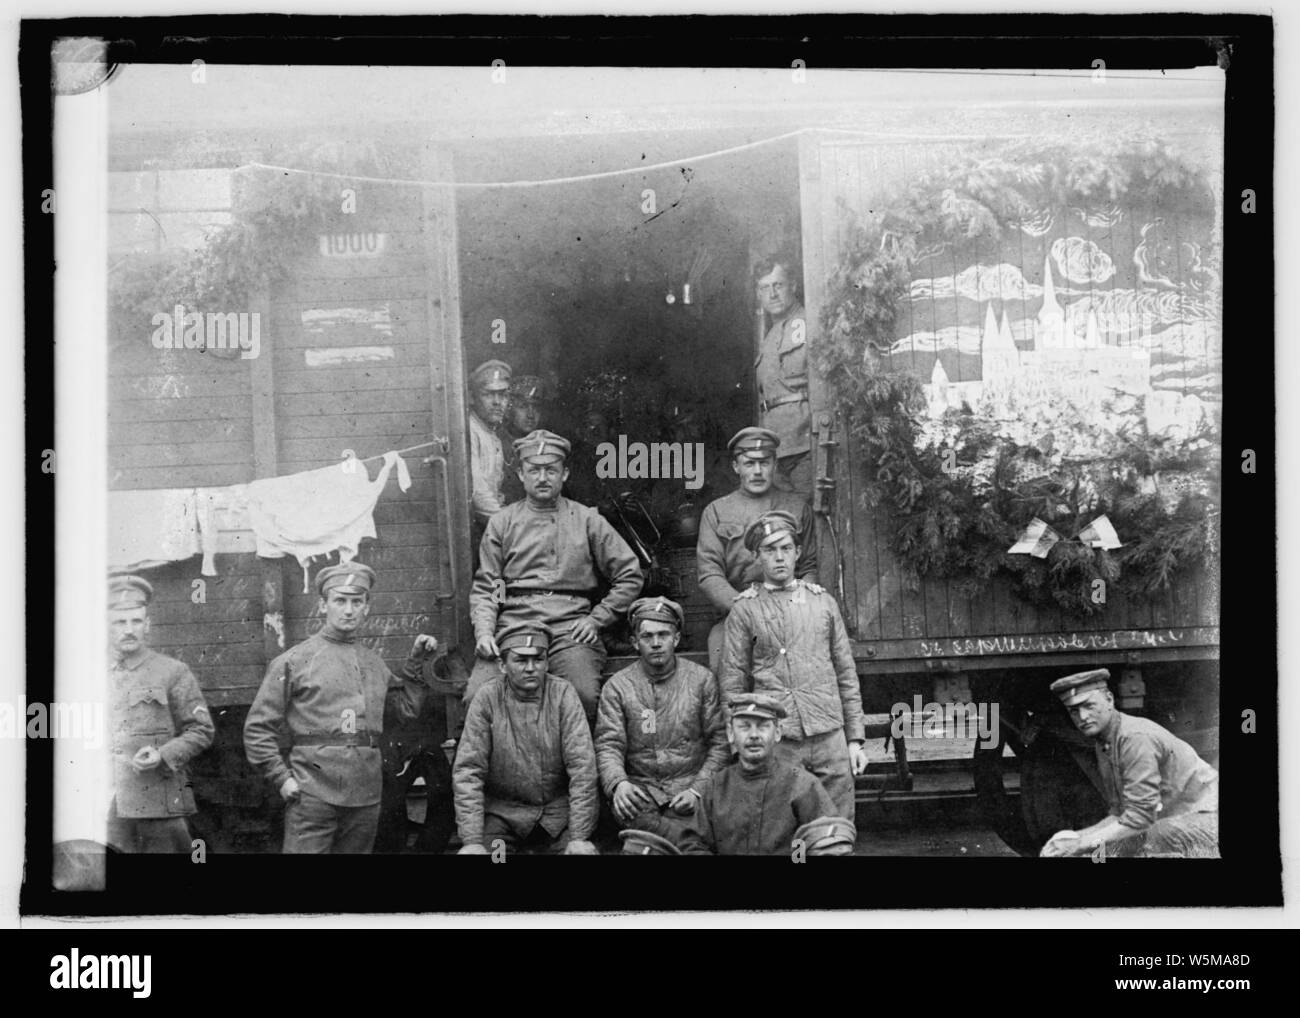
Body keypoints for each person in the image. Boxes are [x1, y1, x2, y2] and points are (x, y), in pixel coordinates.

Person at [243, 562, 440, 854]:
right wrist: (282, 778)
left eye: (356, 602)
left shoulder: (374, 664)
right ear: (323, 605)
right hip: (312, 792)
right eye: (340, 601)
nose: (348, 610)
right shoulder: (294, 661)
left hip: (364, 796)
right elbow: (257, 729)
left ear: (366, 609)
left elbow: (406, 712)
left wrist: (416, 664)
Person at [467, 429, 644, 724]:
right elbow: (492, 587)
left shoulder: (587, 520)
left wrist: (596, 619)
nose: (542, 478)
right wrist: (485, 631)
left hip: (570, 628)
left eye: (551, 470)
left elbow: (629, 574)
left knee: (584, 695)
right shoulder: (502, 523)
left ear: (565, 474)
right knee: (478, 697)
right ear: (521, 475)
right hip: (515, 624)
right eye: (534, 470)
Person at [717, 510, 868, 821]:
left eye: (786, 548)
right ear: (757, 556)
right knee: (782, 828)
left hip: (829, 735)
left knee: (837, 829)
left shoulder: (822, 603)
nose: (779, 557)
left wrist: (854, 740)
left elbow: (846, 674)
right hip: (780, 739)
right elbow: (732, 684)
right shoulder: (744, 610)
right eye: (770, 550)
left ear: (798, 552)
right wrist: (739, 746)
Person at [453, 621, 599, 855]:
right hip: (503, 817)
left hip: (555, 818)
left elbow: (582, 768)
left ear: (547, 662)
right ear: (502, 665)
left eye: (538, 659)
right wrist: (471, 840)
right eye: (521, 660)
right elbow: (469, 771)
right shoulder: (487, 698)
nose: (531, 667)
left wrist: (579, 835)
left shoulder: (563, 694)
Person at [1040, 669, 1219, 859]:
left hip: (1207, 818)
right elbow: (1120, 813)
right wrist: (1077, 839)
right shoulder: (1105, 743)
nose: (1082, 717)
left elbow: (1140, 818)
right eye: (1074, 711)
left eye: (1089, 706)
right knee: (1099, 851)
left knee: (1152, 838)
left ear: (1109, 699)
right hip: (1176, 819)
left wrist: (1081, 845)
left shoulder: (1135, 738)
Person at [594, 596, 729, 846]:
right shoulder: (618, 686)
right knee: (633, 813)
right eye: (647, 637)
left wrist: (697, 789)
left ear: (676, 639)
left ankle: (673, 844)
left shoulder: (701, 680)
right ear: (635, 642)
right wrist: (619, 784)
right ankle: (688, 845)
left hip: (689, 789)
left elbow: (720, 742)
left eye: (663, 635)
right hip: (642, 794)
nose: (656, 643)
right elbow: (608, 745)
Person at [106, 575, 215, 854]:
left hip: (158, 799)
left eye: (136, 621)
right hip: (105, 803)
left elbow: (201, 730)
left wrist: (163, 754)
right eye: (120, 622)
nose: (129, 630)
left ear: (148, 625)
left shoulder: (172, 672)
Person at [696, 426, 817, 672]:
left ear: (775, 464)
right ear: (736, 467)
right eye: (750, 463)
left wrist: (796, 606)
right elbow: (709, 574)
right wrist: (743, 607)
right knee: (723, 659)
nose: (758, 471)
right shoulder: (717, 511)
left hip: (791, 610)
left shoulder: (797, 507)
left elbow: (810, 566)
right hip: (739, 609)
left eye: (764, 462)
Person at [678, 694, 844, 856]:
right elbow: (693, 844)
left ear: (778, 732)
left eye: (763, 726)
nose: (754, 735)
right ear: (730, 733)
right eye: (744, 726)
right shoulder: (716, 787)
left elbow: (826, 841)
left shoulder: (802, 785)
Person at [753, 255, 811, 493]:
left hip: (804, 446)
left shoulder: (807, 322)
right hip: (776, 448)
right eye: (765, 288)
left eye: (778, 285)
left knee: (810, 520)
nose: (772, 294)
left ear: (793, 286)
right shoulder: (769, 337)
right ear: (759, 294)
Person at [467, 359, 512, 557]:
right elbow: (479, 495)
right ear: (473, 397)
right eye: (488, 394)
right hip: (477, 533)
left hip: (491, 526)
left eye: (502, 395)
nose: (497, 402)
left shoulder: (490, 431)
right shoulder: (470, 430)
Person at [502, 374, 547, 505]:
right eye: (522, 406)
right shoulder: (498, 444)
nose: (531, 415)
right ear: (509, 410)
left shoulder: (543, 443)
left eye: (536, 407)